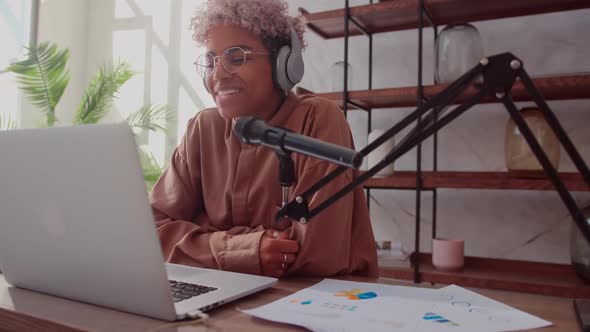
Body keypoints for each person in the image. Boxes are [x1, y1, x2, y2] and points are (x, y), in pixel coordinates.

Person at [149, 0, 378, 278]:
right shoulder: (203, 128)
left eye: (237, 58)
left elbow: (313, 256)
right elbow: (150, 234)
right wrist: (239, 248)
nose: (218, 75)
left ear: (283, 63)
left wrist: (199, 236)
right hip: (224, 295)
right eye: (210, 62)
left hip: (311, 303)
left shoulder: (318, 120)